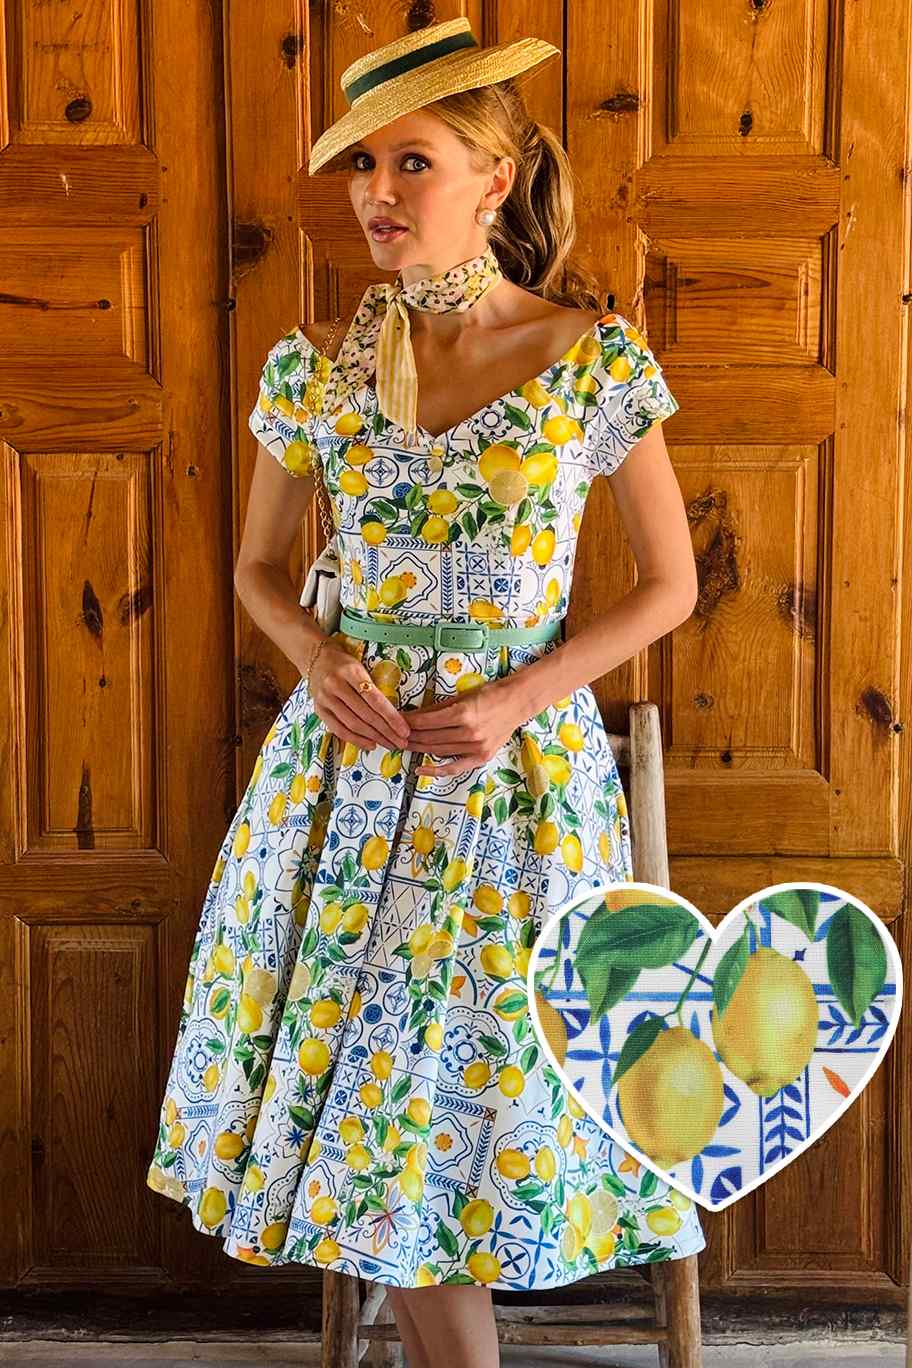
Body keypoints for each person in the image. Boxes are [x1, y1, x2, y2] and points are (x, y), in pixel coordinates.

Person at [146, 17, 703, 1367]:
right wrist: (317, 653)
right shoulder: (316, 366)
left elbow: (670, 587)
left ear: (493, 179)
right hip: (345, 786)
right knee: (372, 1104)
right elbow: (257, 570)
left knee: (467, 1095)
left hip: (517, 794)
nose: (378, 195)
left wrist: (518, 700)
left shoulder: (594, 362)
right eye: (363, 167)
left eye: (412, 163)